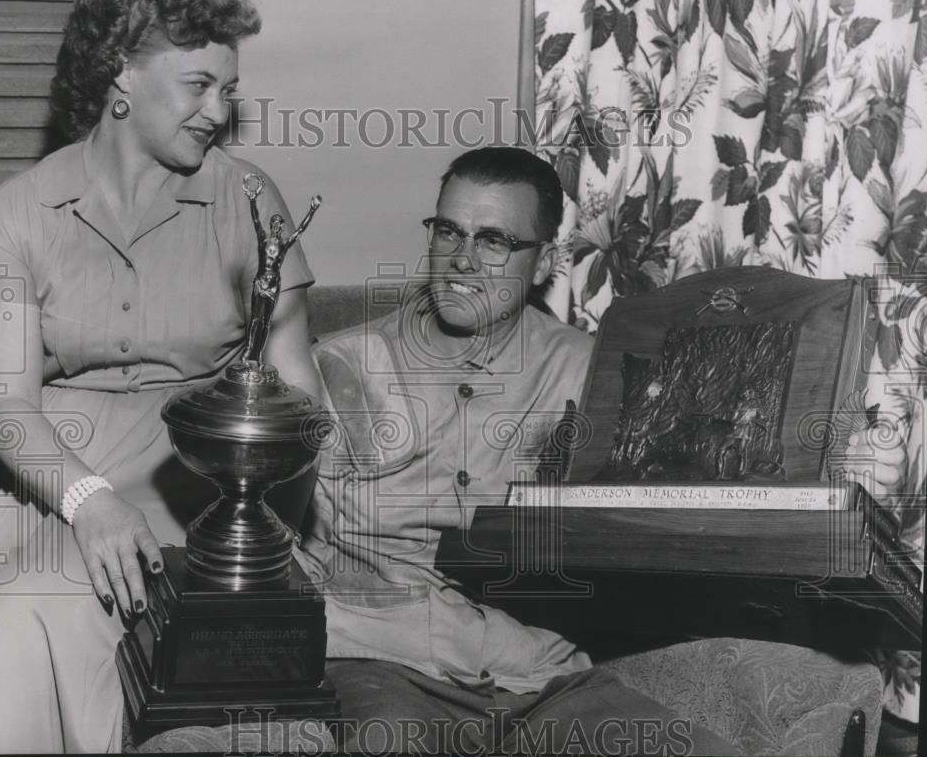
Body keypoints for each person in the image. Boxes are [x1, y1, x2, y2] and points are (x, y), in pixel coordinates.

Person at [0, 0, 317, 753]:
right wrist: (90, 503)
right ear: (121, 69)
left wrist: (284, 546)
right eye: (198, 85)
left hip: (208, 497)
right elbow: (7, 412)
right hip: (60, 496)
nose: (219, 111)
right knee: (22, 631)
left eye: (230, 89)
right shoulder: (19, 213)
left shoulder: (252, 202)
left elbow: (299, 399)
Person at [295, 147, 740, 756]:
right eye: (448, 231)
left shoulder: (593, 373)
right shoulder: (336, 368)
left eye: (495, 240)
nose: (461, 260)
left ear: (544, 264)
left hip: (541, 675)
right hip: (382, 665)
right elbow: (273, 540)